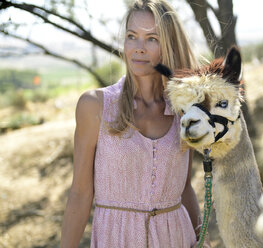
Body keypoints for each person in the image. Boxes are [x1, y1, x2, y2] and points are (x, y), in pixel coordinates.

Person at [61, 0, 211, 247]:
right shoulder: (95, 106)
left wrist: (201, 239)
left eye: (152, 39)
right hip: (116, 239)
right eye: (132, 36)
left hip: (176, 238)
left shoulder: (185, 110)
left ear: (169, 45)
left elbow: (184, 188)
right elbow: (80, 192)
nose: (139, 48)